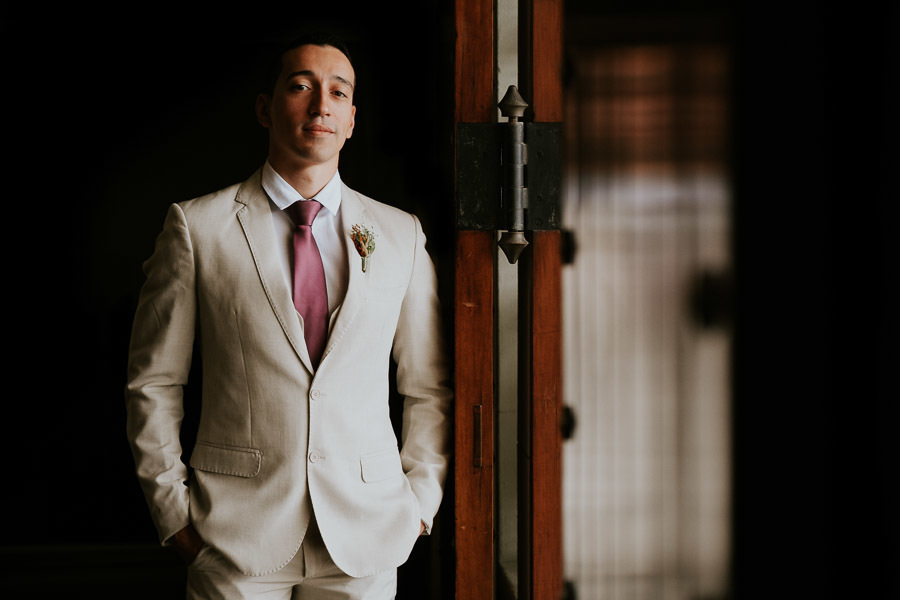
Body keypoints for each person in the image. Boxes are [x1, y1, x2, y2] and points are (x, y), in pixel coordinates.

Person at [125, 33, 452, 599]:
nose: (320, 104)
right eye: (300, 86)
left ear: (351, 119)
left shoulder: (401, 236)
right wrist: (173, 513)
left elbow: (428, 386)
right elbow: (154, 382)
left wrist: (420, 503)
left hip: (367, 534)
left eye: (337, 92)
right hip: (233, 534)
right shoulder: (197, 228)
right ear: (265, 107)